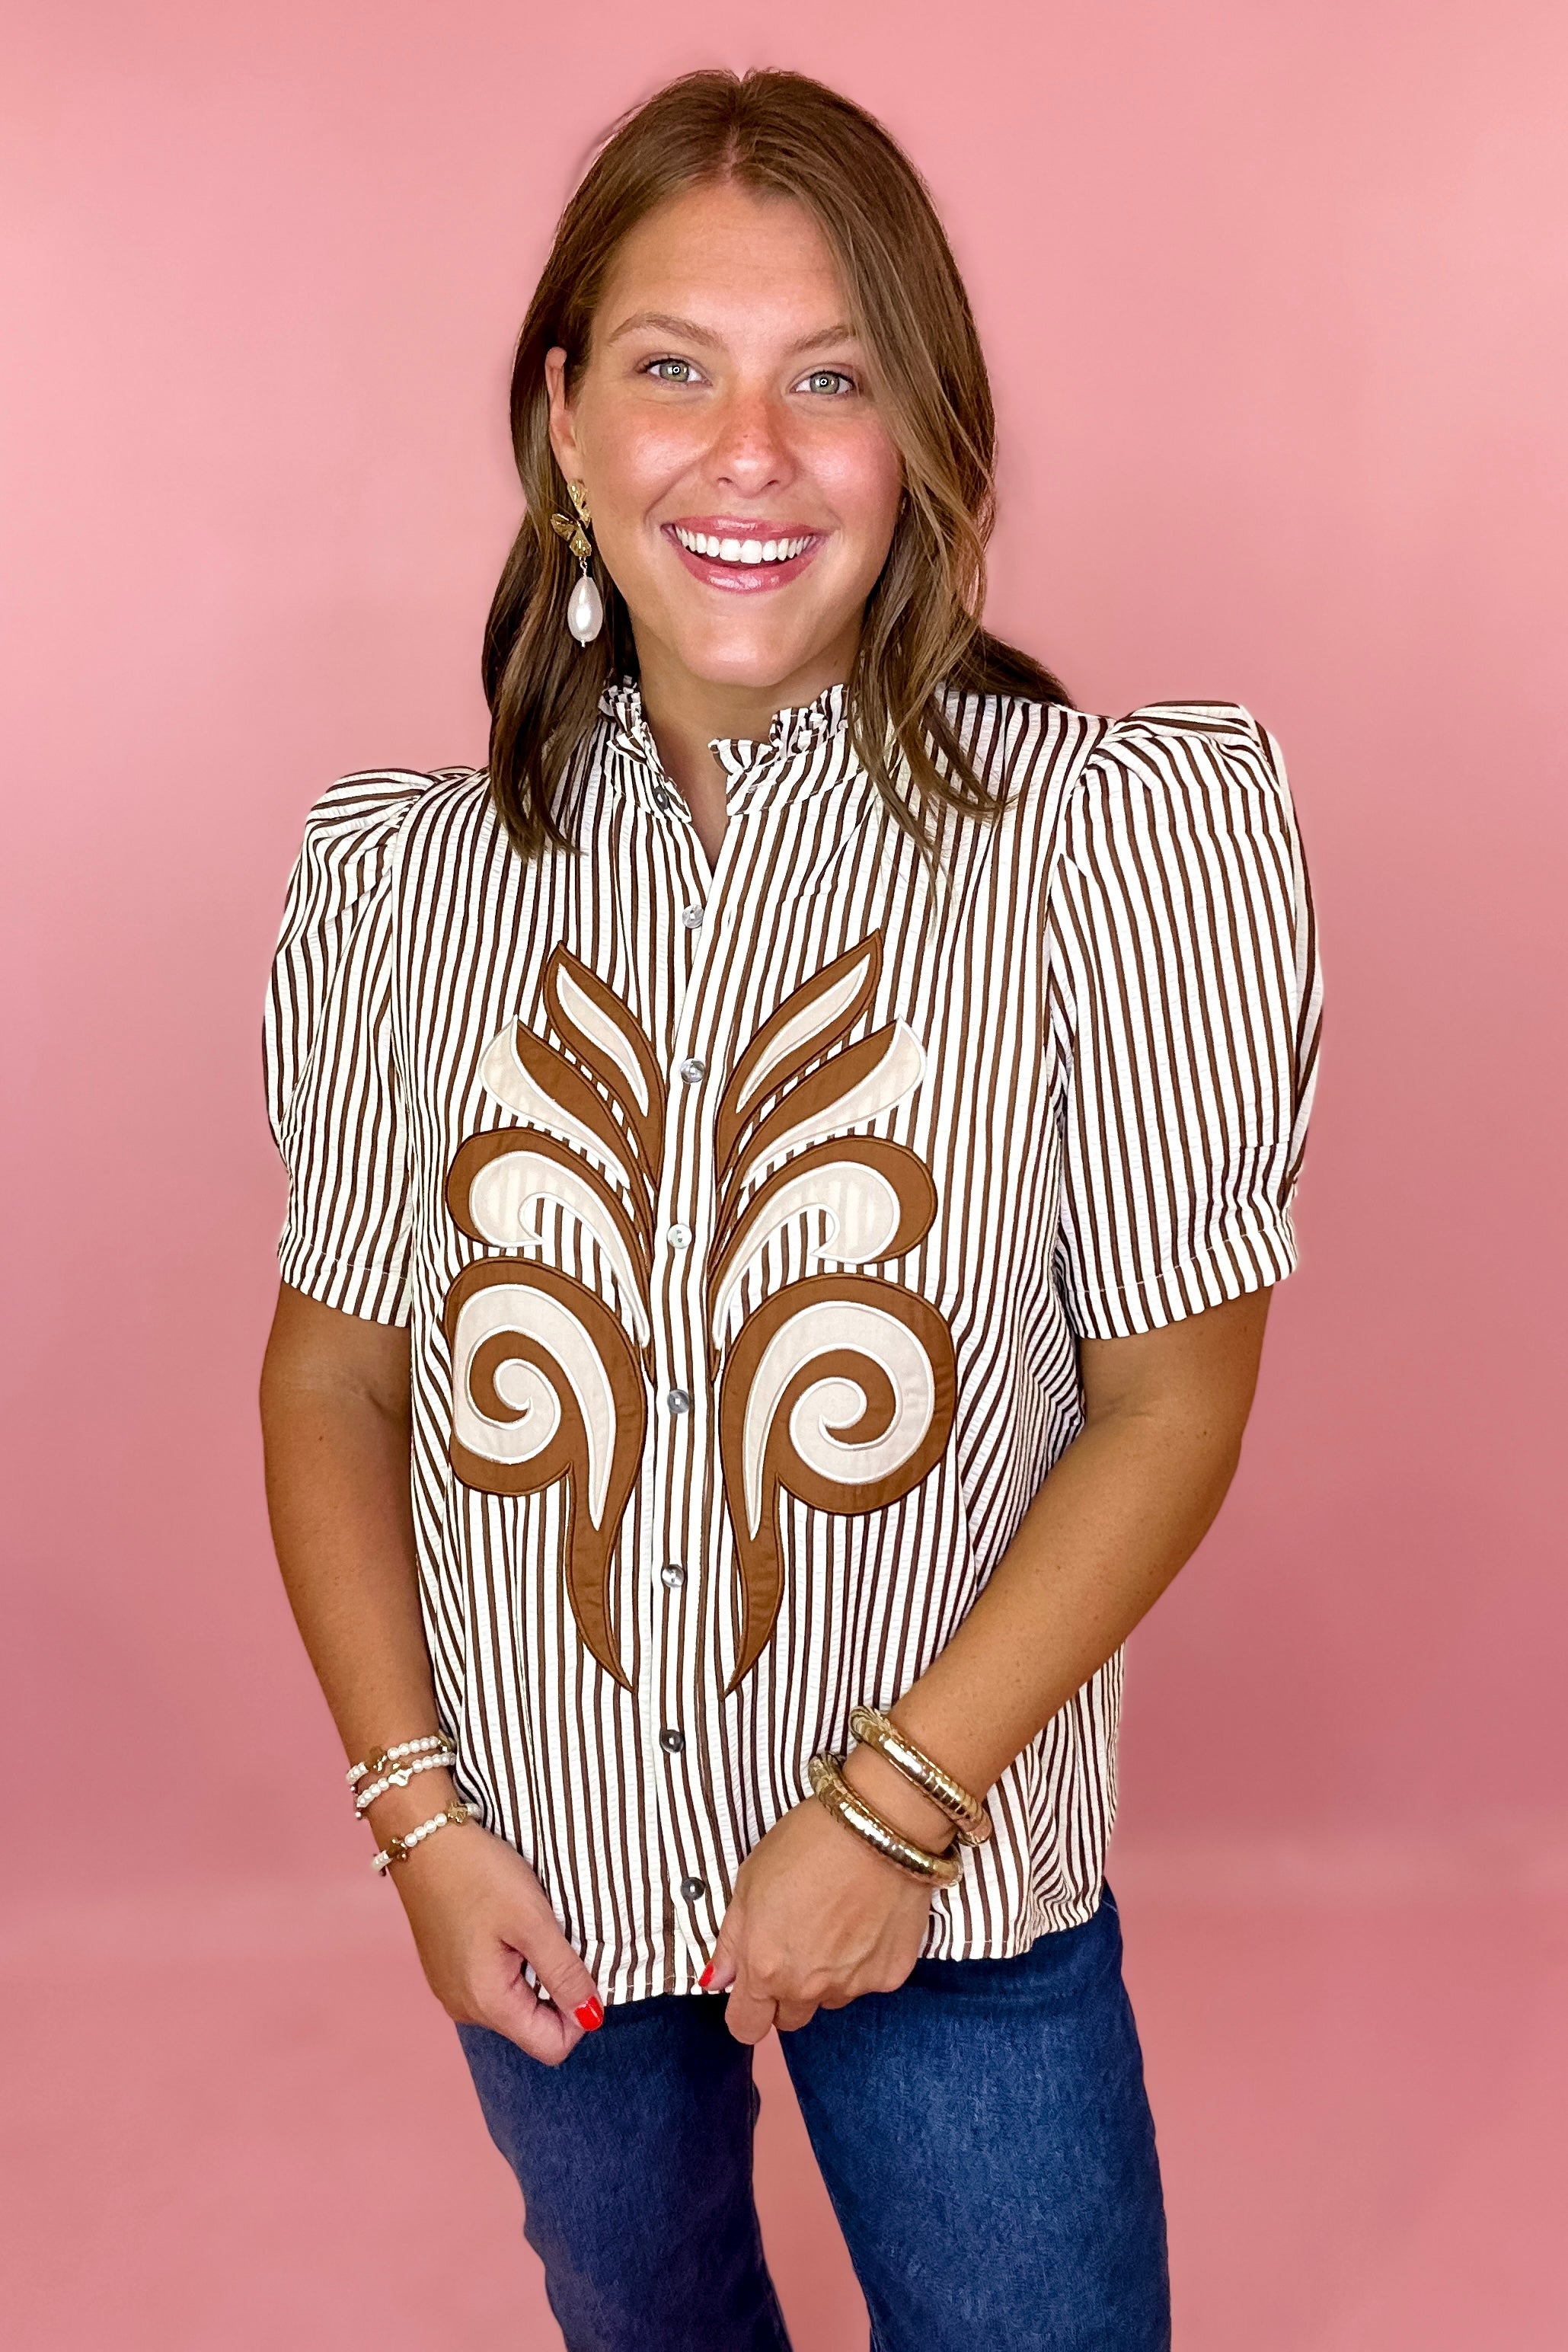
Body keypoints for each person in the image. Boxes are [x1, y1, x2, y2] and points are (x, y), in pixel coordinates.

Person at [260, 66, 1320, 2352]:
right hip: (533, 1877)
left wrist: (894, 1809)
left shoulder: (1109, 847)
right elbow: (335, 1373)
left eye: (829, 381)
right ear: (562, 420)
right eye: (675, 369)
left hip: (954, 1886)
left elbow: (1169, 1403)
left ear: (923, 440)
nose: (747, 453)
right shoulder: (402, 884)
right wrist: (417, 1817)